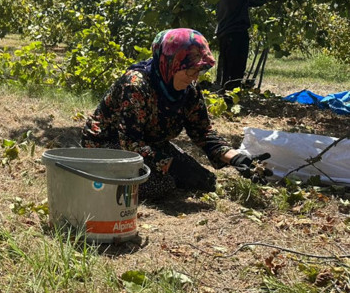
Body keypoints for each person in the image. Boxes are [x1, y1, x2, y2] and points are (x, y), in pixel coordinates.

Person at [82, 28, 255, 201]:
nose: (194, 78)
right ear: (172, 64)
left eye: (199, 71)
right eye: (190, 70)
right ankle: (99, 180)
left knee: (206, 182)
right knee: (163, 184)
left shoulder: (189, 90)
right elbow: (130, 143)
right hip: (109, 145)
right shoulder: (136, 86)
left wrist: (235, 158)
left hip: (150, 144)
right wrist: (170, 165)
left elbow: (202, 131)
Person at [214, 0, 268, 90]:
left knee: (227, 67)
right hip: (236, 32)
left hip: (224, 32)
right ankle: (231, 97)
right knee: (236, 69)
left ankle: (226, 96)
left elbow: (250, 1)